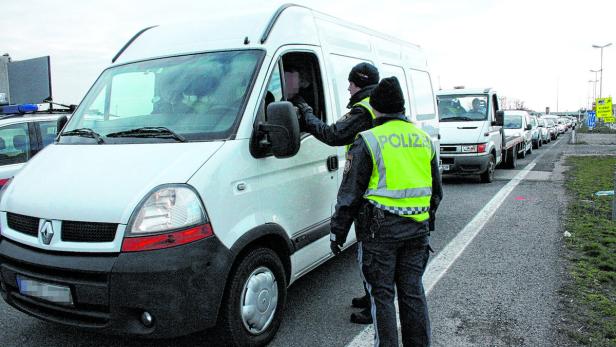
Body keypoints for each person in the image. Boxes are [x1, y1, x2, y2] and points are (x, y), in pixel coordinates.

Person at [329, 76, 443, 347]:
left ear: (376, 108)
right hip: (417, 231)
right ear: (402, 108)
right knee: (412, 293)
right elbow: (436, 193)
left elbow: (349, 195)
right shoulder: (423, 139)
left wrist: (337, 232)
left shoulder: (368, 140)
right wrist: (426, 222)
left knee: (381, 297)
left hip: (379, 233)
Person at [293, 62, 379, 324]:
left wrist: (306, 113)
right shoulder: (374, 105)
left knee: (370, 252)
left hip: (369, 189)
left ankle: (374, 304)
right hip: (374, 185)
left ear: (361, 84)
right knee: (368, 251)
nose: (348, 87)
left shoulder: (362, 110)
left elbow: (333, 134)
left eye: (352, 83)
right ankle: (371, 295)